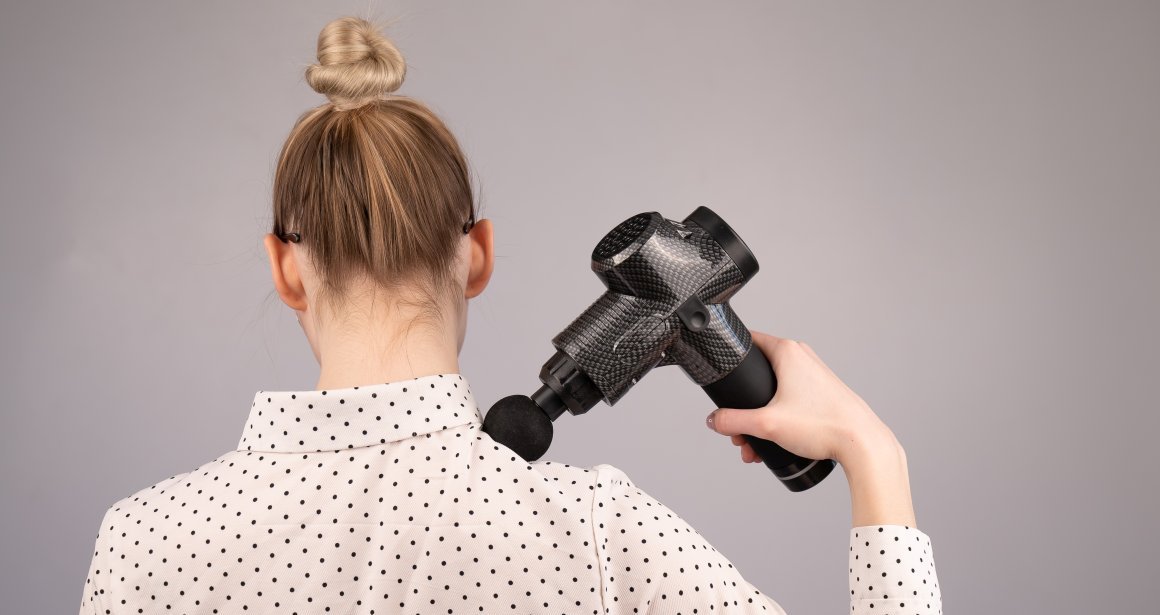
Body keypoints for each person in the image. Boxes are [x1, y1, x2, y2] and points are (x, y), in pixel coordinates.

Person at [78, 16, 941, 615]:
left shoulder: (145, 545)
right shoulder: (600, 534)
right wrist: (874, 454)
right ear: (478, 254)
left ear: (286, 270)